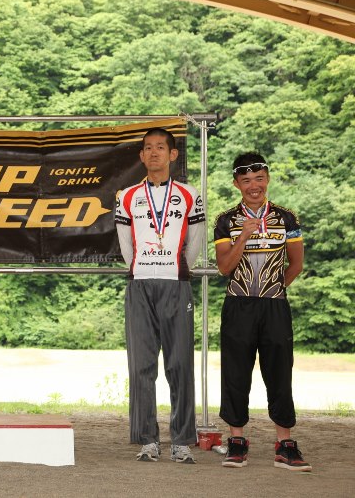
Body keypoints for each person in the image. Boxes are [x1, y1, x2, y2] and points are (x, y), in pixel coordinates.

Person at [213, 153, 311, 472]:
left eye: (259, 179)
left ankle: (285, 444)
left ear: (267, 179)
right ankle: (237, 441)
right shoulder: (226, 220)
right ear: (236, 184)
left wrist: (273, 290)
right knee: (235, 373)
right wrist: (244, 235)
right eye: (246, 181)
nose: (253, 186)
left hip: (274, 305)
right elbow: (225, 267)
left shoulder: (287, 218)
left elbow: (296, 264)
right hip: (238, 304)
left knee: (279, 372)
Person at [114, 128, 205, 463]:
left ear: (172, 154)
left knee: (180, 363)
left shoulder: (190, 194)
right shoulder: (127, 196)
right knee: (141, 365)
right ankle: (147, 440)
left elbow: (195, 242)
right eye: (148, 148)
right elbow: (126, 245)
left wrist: (174, 268)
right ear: (141, 156)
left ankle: (181, 440)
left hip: (175, 283)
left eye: (160, 148)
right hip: (139, 284)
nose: (154, 153)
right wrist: (143, 267)